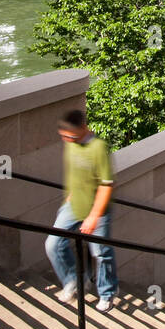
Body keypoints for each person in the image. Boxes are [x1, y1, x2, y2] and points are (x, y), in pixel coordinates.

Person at [46, 108, 118, 312]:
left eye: (70, 135)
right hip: (72, 205)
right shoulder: (71, 145)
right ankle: (74, 280)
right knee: (53, 243)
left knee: (101, 253)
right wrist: (68, 201)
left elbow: (106, 185)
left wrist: (94, 216)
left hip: (97, 210)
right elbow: (73, 174)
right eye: (63, 136)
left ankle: (107, 293)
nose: (67, 140)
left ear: (83, 129)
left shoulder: (99, 148)